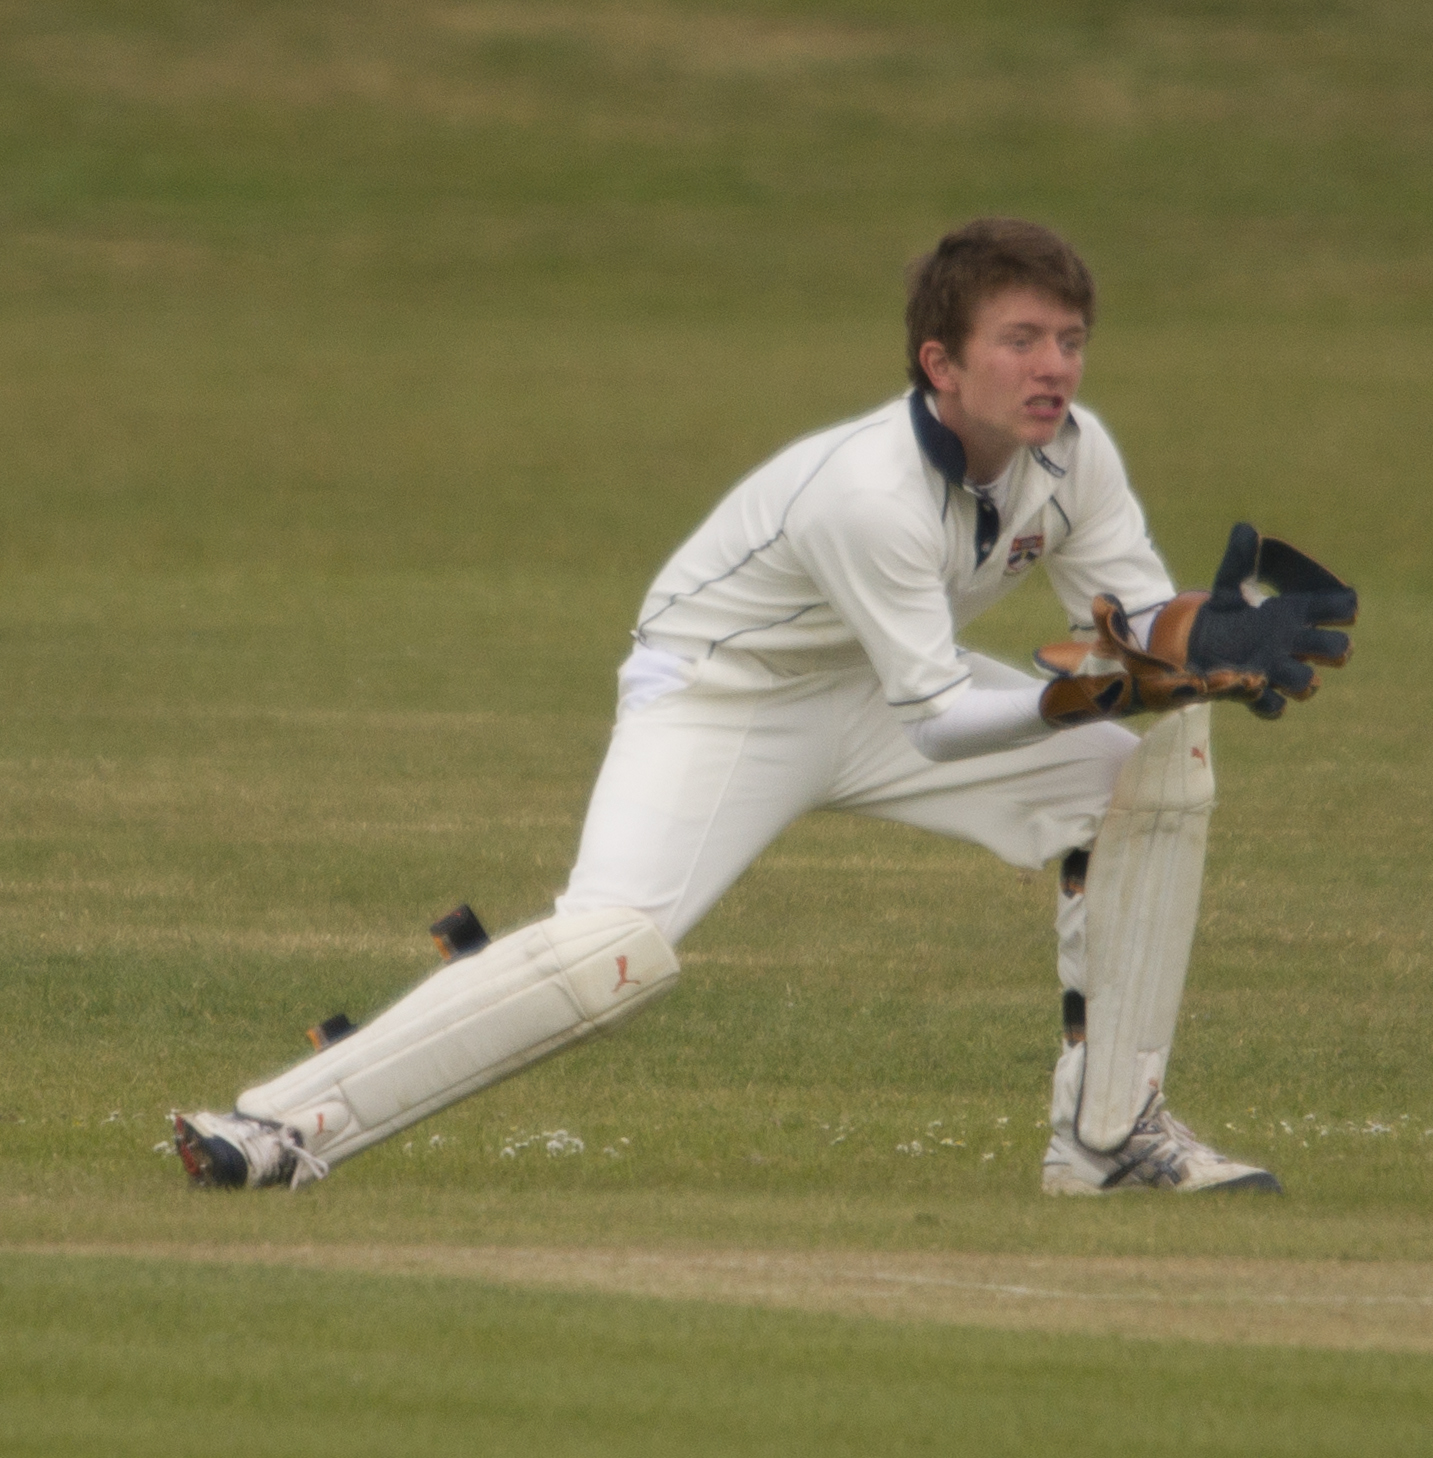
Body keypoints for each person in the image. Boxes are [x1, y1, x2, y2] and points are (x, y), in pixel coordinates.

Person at [172, 218, 1356, 1196]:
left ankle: (1110, 1141)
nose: (1053, 367)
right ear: (940, 364)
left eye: (1070, 341)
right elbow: (946, 715)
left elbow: (1135, 618)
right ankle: (277, 1124)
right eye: (1020, 340)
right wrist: (1115, 683)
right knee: (612, 949)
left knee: (1144, 776)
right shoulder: (868, 495)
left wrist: (1203, 645)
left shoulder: (1074, 453)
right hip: (724, 695)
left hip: (879, 687)